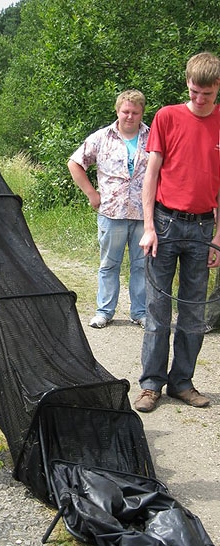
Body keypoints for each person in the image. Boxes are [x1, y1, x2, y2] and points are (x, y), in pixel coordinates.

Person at [134, 52, 220, 413]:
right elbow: (150, 175)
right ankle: (151, 384)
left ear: (218, 88)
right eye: (195, 92)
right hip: (166, 225)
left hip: (204, 228)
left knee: (193, 313)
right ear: (187, 83)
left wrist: (218, 237)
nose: (200, 100)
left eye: (208, 94)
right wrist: (149, 227)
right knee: (157, 309)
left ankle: (181, 382)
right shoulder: (167, 117)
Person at [68, 90, 149, 329]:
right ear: (117, 111)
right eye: (125, 111)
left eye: (135, 112)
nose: (130, 116)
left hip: (144, 215)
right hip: (111, 213)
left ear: (142, 113)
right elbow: (75, 163)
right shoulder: (102, 137)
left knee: (141, 266)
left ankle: (140, 313)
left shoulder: (153, 137)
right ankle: (104, 311)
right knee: (109, 264)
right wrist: (92, 194)